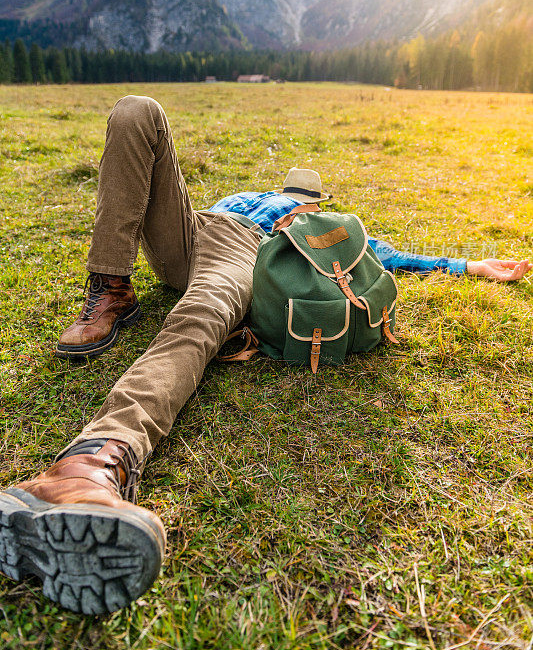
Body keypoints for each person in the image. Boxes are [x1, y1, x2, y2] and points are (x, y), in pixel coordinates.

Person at [0, 95, 530, 616]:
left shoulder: (324, 227)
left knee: (199, 317)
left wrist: (469, 265)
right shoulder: (245, 194)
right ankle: (111, 286)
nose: (300, 197)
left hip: (246, 253)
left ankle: (90, 461)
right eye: (296, 192)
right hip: (196, 229)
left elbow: (389, 258)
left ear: (317, 202)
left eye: (308, 197)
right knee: (139, 110)